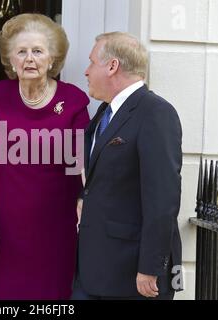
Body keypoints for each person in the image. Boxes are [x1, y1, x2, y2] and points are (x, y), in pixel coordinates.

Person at [0, 13, 90, 299]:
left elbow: (84, 161)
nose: (29, 59)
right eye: (21, 52)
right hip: (8, 229)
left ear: (52, 58)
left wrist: (86, 201)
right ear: (10, 60)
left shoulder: (72, 101)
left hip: (57, 228)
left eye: (37, 51)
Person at [72, 32, 182, 300]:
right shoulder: (104, 112)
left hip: (133, 275)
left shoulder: (155, 112)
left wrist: (150, 268)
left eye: (91, 63)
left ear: (112, 66)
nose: (86, 71)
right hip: (95, 268)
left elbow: (163, 198)